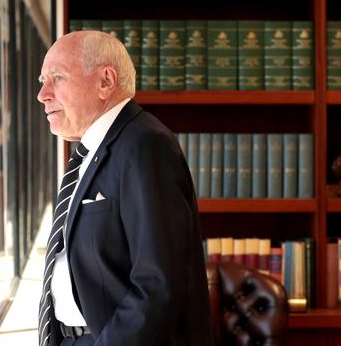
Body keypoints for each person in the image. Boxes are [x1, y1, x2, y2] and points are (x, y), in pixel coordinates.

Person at [36, 31, 213, 346]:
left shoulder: (145, 144)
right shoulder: (89, 153)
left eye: (57, 78)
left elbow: (157, 285)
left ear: (105, 81)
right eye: (42, 80)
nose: (43, 94)